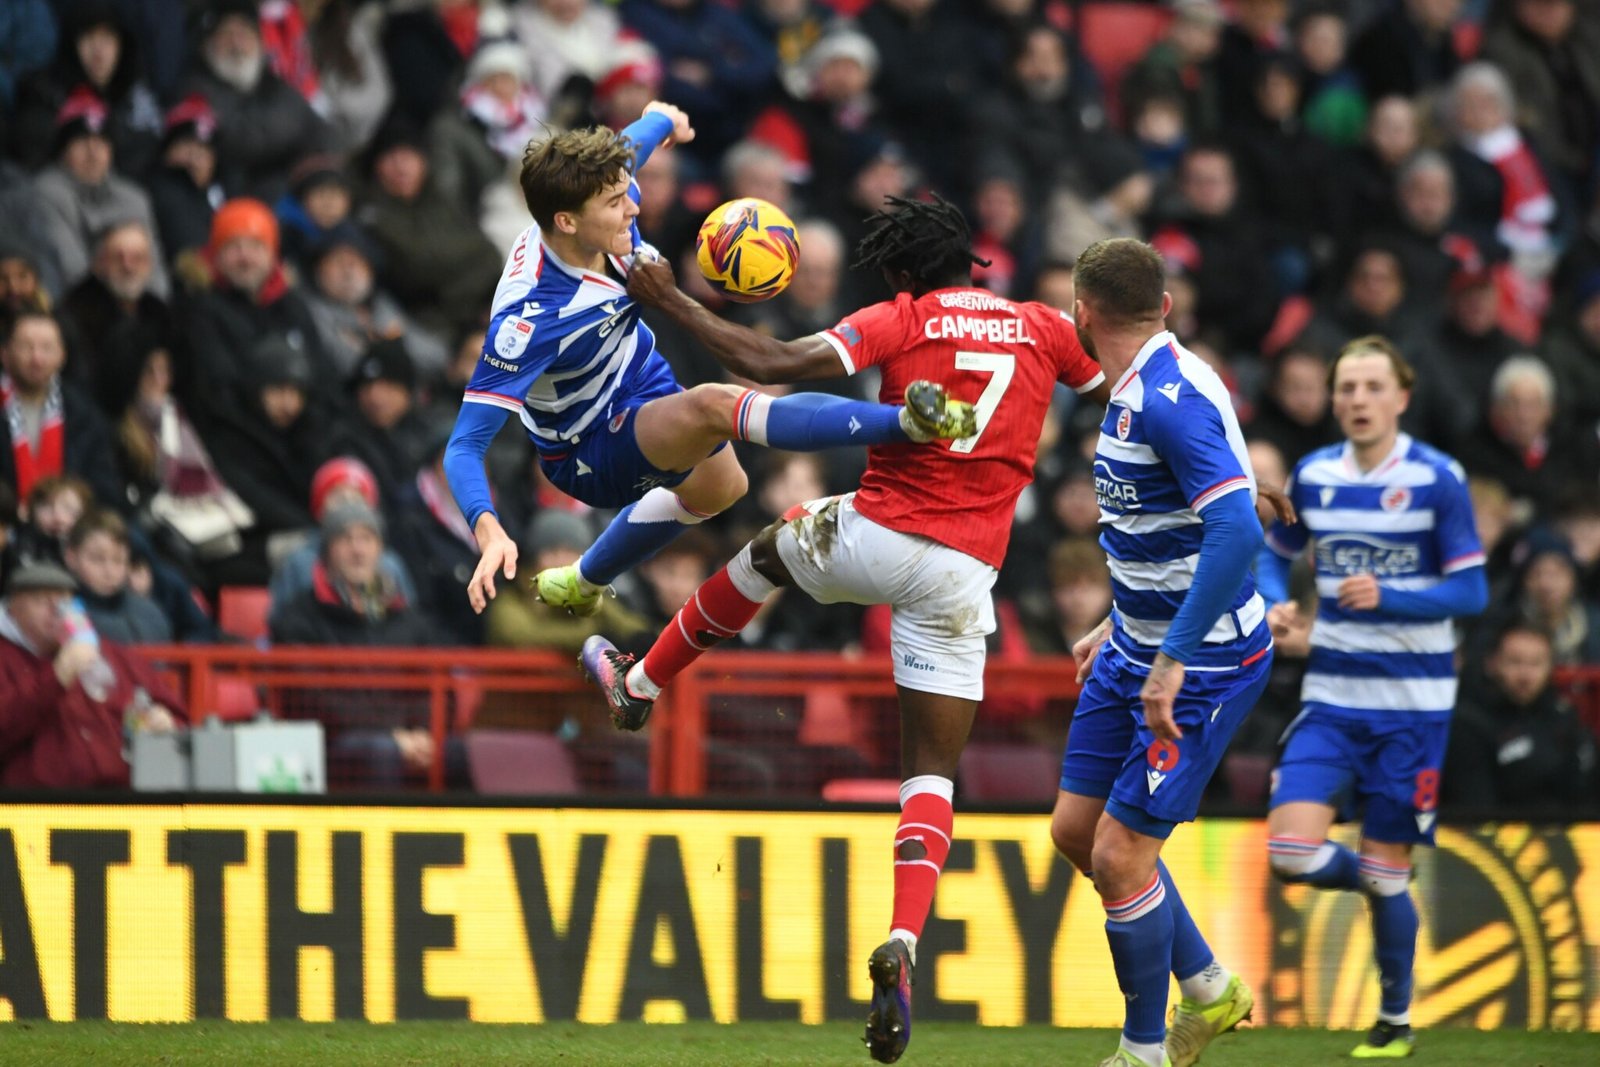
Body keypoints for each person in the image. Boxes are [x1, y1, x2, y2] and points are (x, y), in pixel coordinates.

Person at [580, 195, 1111, 1063]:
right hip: (967, 570)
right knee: (930, 775)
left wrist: (668, 298)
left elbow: (772, 359)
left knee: (760, 552)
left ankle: (637, 685)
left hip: (879, 532)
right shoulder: (1044, 325)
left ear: (903, 270)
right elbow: (1114, 388)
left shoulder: (899, 315)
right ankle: (903, 939)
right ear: (970, 259)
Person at [442, 104, 976, 622]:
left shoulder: (598, 202)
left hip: (638, 378)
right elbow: (465, 445)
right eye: (614, 202)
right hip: (588, 444)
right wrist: (488, 530)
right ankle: (904, 423)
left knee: (725, 487)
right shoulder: (531, 319)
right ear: (565, 221)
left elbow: (630, 150)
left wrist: (662, 118)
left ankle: (584, 582)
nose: (632, 206)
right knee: (716, 404)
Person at [1047, 238, 1271, 1067]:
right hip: (1135, 641)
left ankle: (1142, 1052)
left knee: (1120, 851)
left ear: (1081, 313)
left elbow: (1238, 527)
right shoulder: (1140, 384)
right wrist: (1119, 617)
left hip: (1202, 661)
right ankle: (1211, 988)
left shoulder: (1169, 400)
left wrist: (1172, 654)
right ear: (1163, 306)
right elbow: (1167, 528)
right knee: (1077, 831)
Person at [1258, 335, 1489, 1059]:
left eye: (1370, 386)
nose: (1356, 399)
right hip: (1331, 695)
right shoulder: (1315, 475)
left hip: (1414, 710)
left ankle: (1393, 1018)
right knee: (1292, 850)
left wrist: (1393, 594)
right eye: (1346, 387)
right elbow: (1273, 552)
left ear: (1401, 397)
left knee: (1387, 868)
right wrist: (1275, 604)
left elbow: (1472, 589)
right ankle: (1381, 881)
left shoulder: (1437, 478)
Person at [0, 560, 185, 788]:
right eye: (40, 601)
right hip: (34, 809)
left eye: (64, 601)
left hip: (124, 799)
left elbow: (178, 717)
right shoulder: (6, 657)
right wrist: (57, 676)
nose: (56, 610)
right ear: (12, 609)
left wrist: (167, 722)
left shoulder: (115, 655)